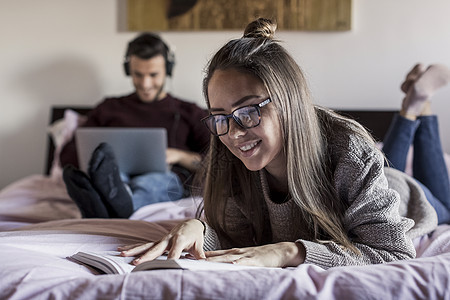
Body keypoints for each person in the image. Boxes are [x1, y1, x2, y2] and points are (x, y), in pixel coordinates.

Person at [119, 18, 438, 270]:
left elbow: (392, 252)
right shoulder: (231, 156)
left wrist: (290, 251)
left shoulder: (350, 152)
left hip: (409, 197)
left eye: (248, 111)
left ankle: (417, 109)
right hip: (370, 177)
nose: (233, 132)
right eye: (220, 117)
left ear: (290, 102)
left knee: (421, 176)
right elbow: (237, 236)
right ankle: (415, 107)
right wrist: (198, 229)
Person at [61, 33, 210, 219]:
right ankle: (110, 195)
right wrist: (98, 159)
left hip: (164, 178)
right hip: (117, 175)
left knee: (153, 184)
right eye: (138, 75)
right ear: (128, 70)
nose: (145, 84)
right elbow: (67, 154)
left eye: (153, 75)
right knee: (113, 180)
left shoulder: (189, 112)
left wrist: (179, 156)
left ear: (168, 69)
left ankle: (103, 205)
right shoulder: (109, 108)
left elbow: (216, 160)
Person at [382, 63, 450, 224]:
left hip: (385, 191)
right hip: (399, 198)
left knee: (385, 178)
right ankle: (416, 106)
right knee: (446, 213)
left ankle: (415, 105)